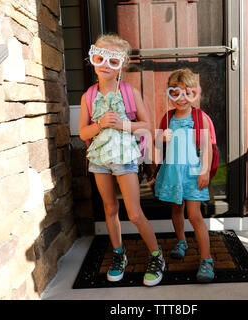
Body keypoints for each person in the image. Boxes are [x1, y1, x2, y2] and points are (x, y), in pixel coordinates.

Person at [79, 34, 165, 287]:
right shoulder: (89, 95)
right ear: (93, 59)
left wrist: (123, 124)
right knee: (109, 209)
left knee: (135, 213)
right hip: (99, 160)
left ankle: (156, 256)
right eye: (100, 58)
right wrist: (100, 124)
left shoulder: (129, 91)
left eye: (113, 60)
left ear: (122, 65)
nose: (105, 64)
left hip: (125, 159)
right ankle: (119, 254)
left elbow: (147, 126)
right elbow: (83, 132)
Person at [154, 68, 215, 282]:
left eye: (187, 93)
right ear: (170, 94)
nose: (182, 99)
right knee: (176, 209)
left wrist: (205, 171)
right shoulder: (167, 118)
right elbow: (157, 147)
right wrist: (161, 138)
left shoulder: (200, 118)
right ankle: (181, 240)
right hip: (172, 172)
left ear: (195, 93)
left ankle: (206, 259)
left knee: (194, 215)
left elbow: (207, 147)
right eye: (176, 93)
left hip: (193, 173)